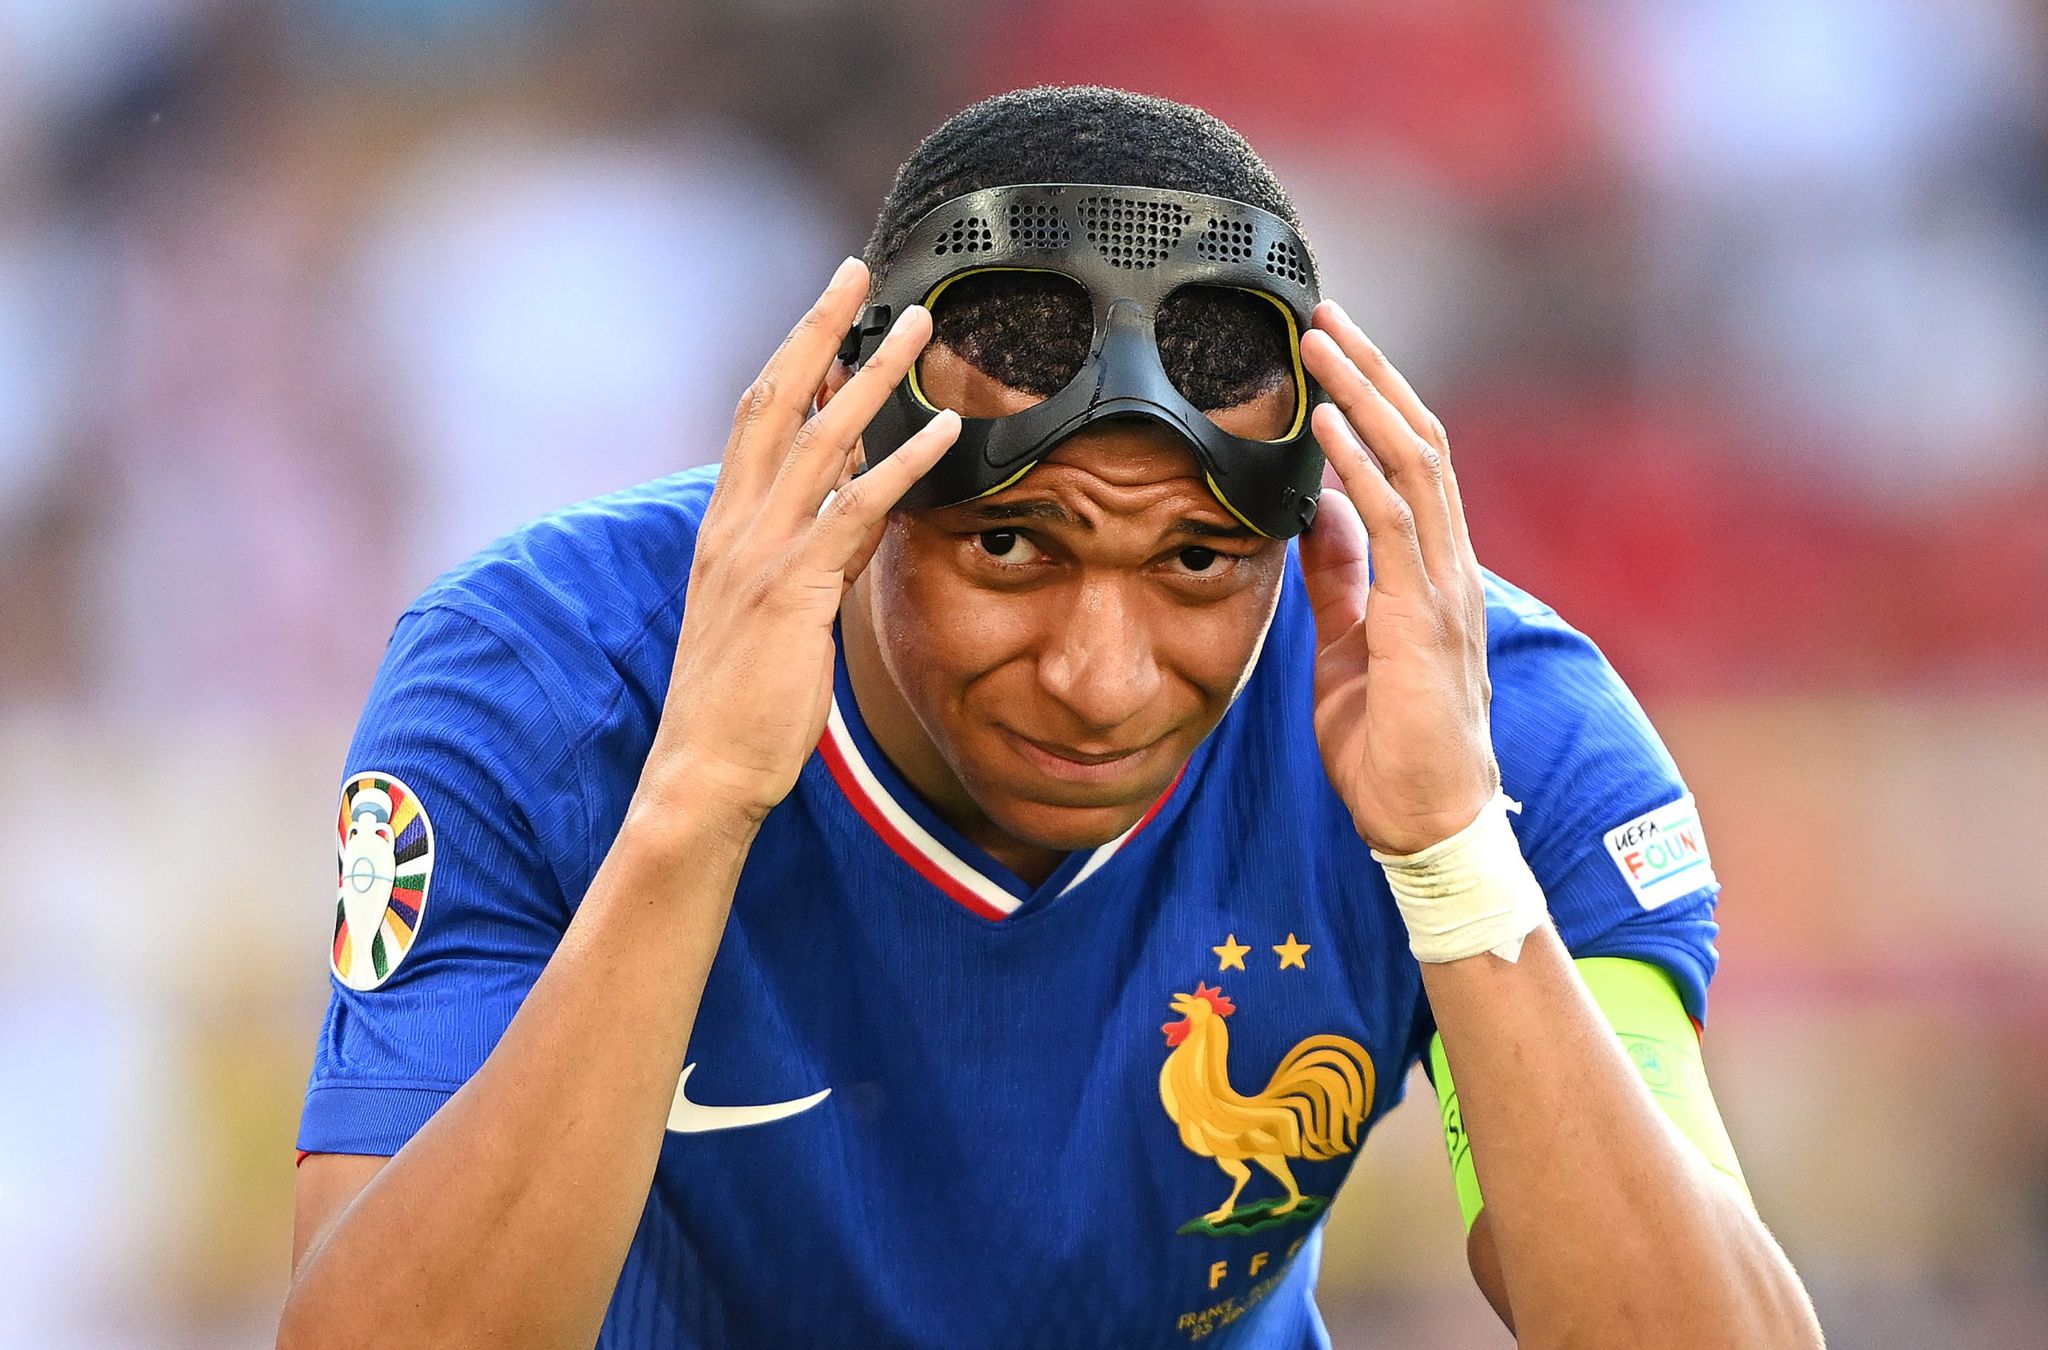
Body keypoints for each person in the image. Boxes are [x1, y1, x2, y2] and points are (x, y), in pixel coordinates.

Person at [281, 87, 1823, 1348]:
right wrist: (693, 803)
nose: (1105, 673)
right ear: (852, 474)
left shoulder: (1490, 725)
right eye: (1014, 546)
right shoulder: (545, 681)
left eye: (1199, 563)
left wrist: (1449, 854)